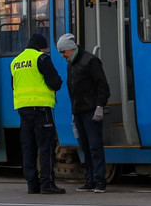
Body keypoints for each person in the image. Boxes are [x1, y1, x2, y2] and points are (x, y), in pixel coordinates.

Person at [56, 33, 111, 193]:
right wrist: (74, 112)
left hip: (91, 111)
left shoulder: (90, 61)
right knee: (85, 147)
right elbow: (73, 89)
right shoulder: (71, 63)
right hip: (79, 111)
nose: (62, 55)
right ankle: (90, 180)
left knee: (95, 146)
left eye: (63, 52)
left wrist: (100, 106)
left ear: (71, 49)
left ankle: (100, 181)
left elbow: (102, 85)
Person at [11, 33, 65, 194]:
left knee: (28, 148)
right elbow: (55, 82)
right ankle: (47, 184)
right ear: (41, 47)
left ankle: (32, 185)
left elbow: (14, 86)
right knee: (46, 147)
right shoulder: (41, 59)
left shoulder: (15, 62)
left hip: (23, 110)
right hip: (41, 109)